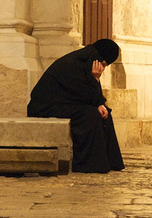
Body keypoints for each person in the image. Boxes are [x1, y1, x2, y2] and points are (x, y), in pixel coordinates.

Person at [27, 39, 125, 173]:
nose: (102, 68)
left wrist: (100, 103)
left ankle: (111, 162)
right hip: (45, 107)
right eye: (103, 64)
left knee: (104, 113)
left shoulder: (86, 64)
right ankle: (88, 165)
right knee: (90, 115)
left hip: (65, 103)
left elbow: (89, 96)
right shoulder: (73, 65)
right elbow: (84, 96)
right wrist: (95, 80)